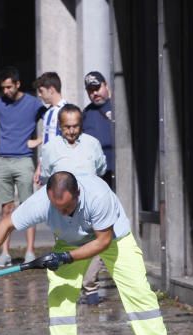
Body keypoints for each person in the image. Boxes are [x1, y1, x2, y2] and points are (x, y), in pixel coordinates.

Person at [0, 171, 176, 335]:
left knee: (138, 292)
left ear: (77, 194)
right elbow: (6, 224)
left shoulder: (98, 196)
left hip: (113, 239)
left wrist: (65, 258)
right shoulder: (41, 201)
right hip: (69, 242)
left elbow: (102, 241)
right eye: (56, 207)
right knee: (60, 295)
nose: (61, 212)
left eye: (67, 208)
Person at [0, 66, 44, 267]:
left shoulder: (32, 103)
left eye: (8, 87)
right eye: (3, 88)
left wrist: (38, 140)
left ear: (17, 84)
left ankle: (30, 251)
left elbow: (52, 120)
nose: (5, 91)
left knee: (28, 208)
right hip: (3, 161)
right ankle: (4, 253)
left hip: (24, 161)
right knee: (6, 209)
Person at [82, 71, 116, 305]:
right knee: (101, 233)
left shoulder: (119, 108)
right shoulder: (87, 115)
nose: (94, 93)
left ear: (107, 86)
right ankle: (90, 287)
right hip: (99, 182)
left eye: (97, 88)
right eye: (90, 90)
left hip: (124, 179)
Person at [38, 104, 106, 183]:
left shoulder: (93, 144)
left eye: (75, 126)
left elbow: (101, 171)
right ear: (59, 125)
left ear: (81, 124)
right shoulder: (49, 148)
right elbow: (46, 178)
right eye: (67, 127)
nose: (71, 131)